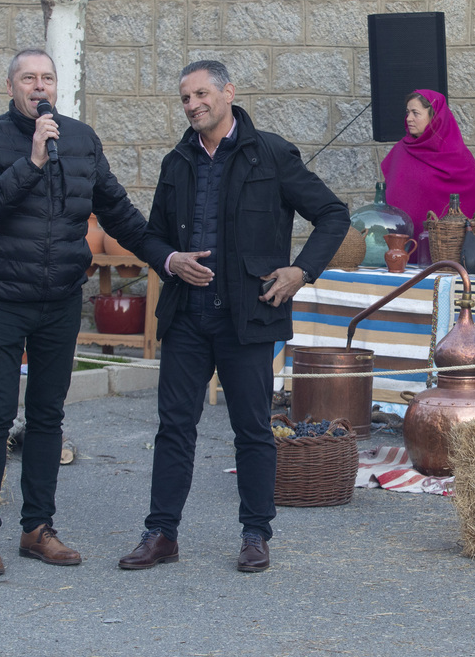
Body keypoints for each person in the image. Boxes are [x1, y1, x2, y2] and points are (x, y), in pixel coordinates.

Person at [117, 60, 349, 573]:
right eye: (185, 98)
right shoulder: (176, 161)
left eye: (201, 94)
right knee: (174, 428)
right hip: (186, 318)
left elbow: (334, 213)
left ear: (228, 94)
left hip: (249, 318)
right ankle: (161, 534)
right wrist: (171, 260)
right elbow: (152, 235)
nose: (193, 104)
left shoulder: (271, 152)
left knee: (251, 429)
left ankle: (255, 534)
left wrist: (300, 271)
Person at [0, 48, 147, 576]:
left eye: (47, 77)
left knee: (47, 417)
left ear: (57, 86)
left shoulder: (81, 139)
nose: (38, 86)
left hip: (60, 298)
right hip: (0, 298)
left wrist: (168, 255)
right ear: (11, 86)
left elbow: (118, 211)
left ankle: (38, 528)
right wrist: (32, 161)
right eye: (27, 78)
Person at [380, 89, 475, 264]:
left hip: (449, 254)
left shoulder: (457, 154)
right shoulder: (401, 150)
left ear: (435, 116)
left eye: (416, 113)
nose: (408, 119)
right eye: (407, 112)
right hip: (403, 254)